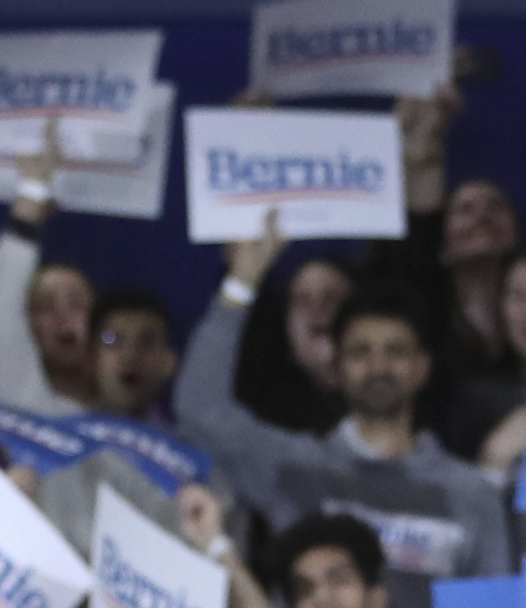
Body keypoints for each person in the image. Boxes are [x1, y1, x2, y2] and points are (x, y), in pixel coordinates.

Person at [173, 223, 507, 582]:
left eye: (396, 351)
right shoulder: (292, 467)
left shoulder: (471, 493)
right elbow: (198, 410)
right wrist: (241, 282)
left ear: (422, 368)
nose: (379, 366)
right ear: (338, 367)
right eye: (360, 352)